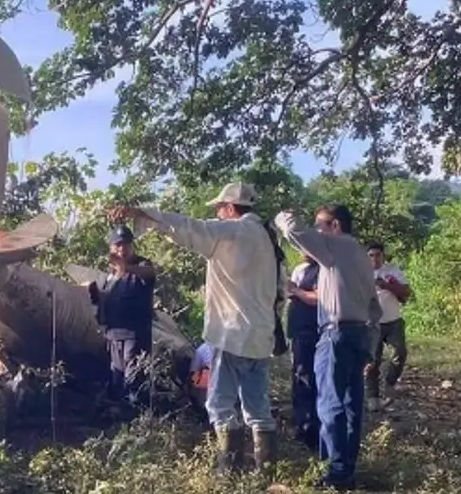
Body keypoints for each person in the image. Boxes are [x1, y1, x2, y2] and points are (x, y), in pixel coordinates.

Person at [110, 182, 282, 474]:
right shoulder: (267, 239)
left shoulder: (232, 232)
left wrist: (143, 213)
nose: (217, 214)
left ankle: (228, 472)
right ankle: (266, 472)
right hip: (261, 337)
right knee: (257, 408)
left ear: (229, 208)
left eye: (219, 209)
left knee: (221, 406)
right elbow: (280, 291)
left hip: (232, 336)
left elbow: (188, 227)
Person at [274, 204, 381, 491]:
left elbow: (295, 231)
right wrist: (369, 343)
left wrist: (282, 215)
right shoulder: (359, 255)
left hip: (335, 333)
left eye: (321, 225)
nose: (317, 231)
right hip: (357, 333)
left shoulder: (335, 246)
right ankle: (346, 468)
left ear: (335, 226)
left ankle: (334, 473)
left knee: (330, 403)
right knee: (351, 403)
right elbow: (374, 308)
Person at [90, 225, 157, 405]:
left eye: (126, 244)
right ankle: (121, 419)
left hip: (135, 336)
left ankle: (138, 421)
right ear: (111, 248)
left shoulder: (141, 266)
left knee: (134, 382)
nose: (122, 249)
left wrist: (126, 267)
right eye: (118, 245)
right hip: (113, 336)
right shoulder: (109, 276)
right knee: (117, 380)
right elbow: (102, 302)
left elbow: (150, 274)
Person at [365, 241, 412, 411]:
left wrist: (386, 285)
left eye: (378, 255)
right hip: (372, 323)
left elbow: (407, 292)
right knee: (373, 361)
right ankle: (372, 396)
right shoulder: (361, 273)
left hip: (393, 320)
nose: (375, 258)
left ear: (383, 256)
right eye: (371, 255)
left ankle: (390, 382)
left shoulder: (392, 271)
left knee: (400, 351)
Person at [285, 253, 321, 452]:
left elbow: (316, 298)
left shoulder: (322, 269)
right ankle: (300, 425)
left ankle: (310, 430)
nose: (300, 250)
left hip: (311, 330)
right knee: (298, 378)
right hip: (297, 331)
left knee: (308, 378)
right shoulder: (300, 269)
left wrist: (296, 290)